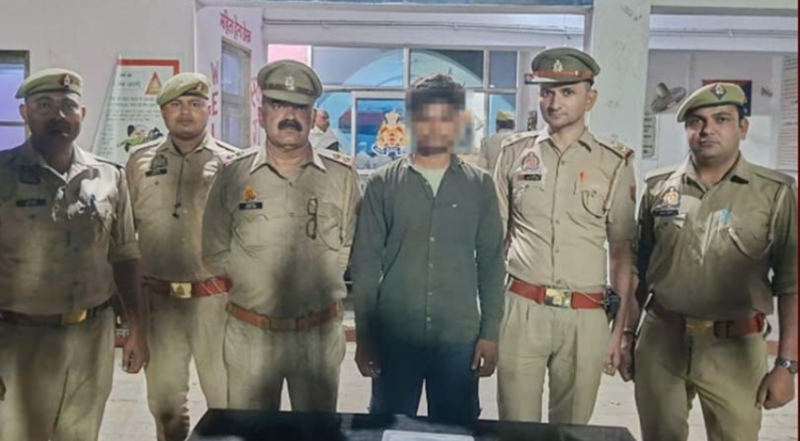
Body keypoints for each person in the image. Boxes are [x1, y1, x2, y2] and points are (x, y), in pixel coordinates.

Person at [623, 82, 797, 441]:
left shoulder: (774, 193)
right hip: (662, 340)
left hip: (735, 347)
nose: (707, 130)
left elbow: (791, 284)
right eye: (696, 121)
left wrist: (786, 365)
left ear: (742, 128)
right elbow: (638, 270)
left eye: (722, 119)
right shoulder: (659, 188)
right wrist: (626, 335)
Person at [202, 60, 360, 411]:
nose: (290, 116)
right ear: (261, 115)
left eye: (300, 107)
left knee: (315, 432)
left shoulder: (341, 175)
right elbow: (213, 251)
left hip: (318, 337)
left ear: (312, 115)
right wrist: (257, 283)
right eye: (278, 105)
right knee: (252, 431)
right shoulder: (233, 174)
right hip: (250, 336)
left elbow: (348, 246)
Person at [0, 68, 148, 440]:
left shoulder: (108, 176)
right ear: (25, 113)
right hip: (19, 340)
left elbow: (125, 256)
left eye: (68, 106)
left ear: (82, 113)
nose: (58, 115)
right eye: (44, 105)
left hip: (91, 338)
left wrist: (137, 328)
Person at [351, 73, 505, 425]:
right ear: (410, 122)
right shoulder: (382, 185)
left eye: (445, 118)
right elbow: (365, 265)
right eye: (425, 117)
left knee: (455, 429)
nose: (435, 128)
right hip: (395, 337)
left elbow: (491, 263)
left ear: (459, 122)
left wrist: (490, 333)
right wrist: (365, 337)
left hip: (458, 340)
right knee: (389, 426)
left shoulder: (479, 186)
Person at [494, 47, 636, 424]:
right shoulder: (513, 154)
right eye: (546, 92)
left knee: (571, 429)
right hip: (522, 309)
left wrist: (617, 332)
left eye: (567, 92)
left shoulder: (613, 162)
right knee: (516, 428)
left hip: (585, 317)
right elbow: (495, 240)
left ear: (590, 99)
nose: (554, 102)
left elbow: (621, 254)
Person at [126, 72, 238, 441]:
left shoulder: (232, 163)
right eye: (175, 105)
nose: (185, 112)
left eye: (195, 104)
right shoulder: (140, 162)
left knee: (227, 406)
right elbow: (125, 237)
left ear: (209, 110)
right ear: (162, 112)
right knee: (166, 406)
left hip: (217, 304)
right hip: (160, 304)